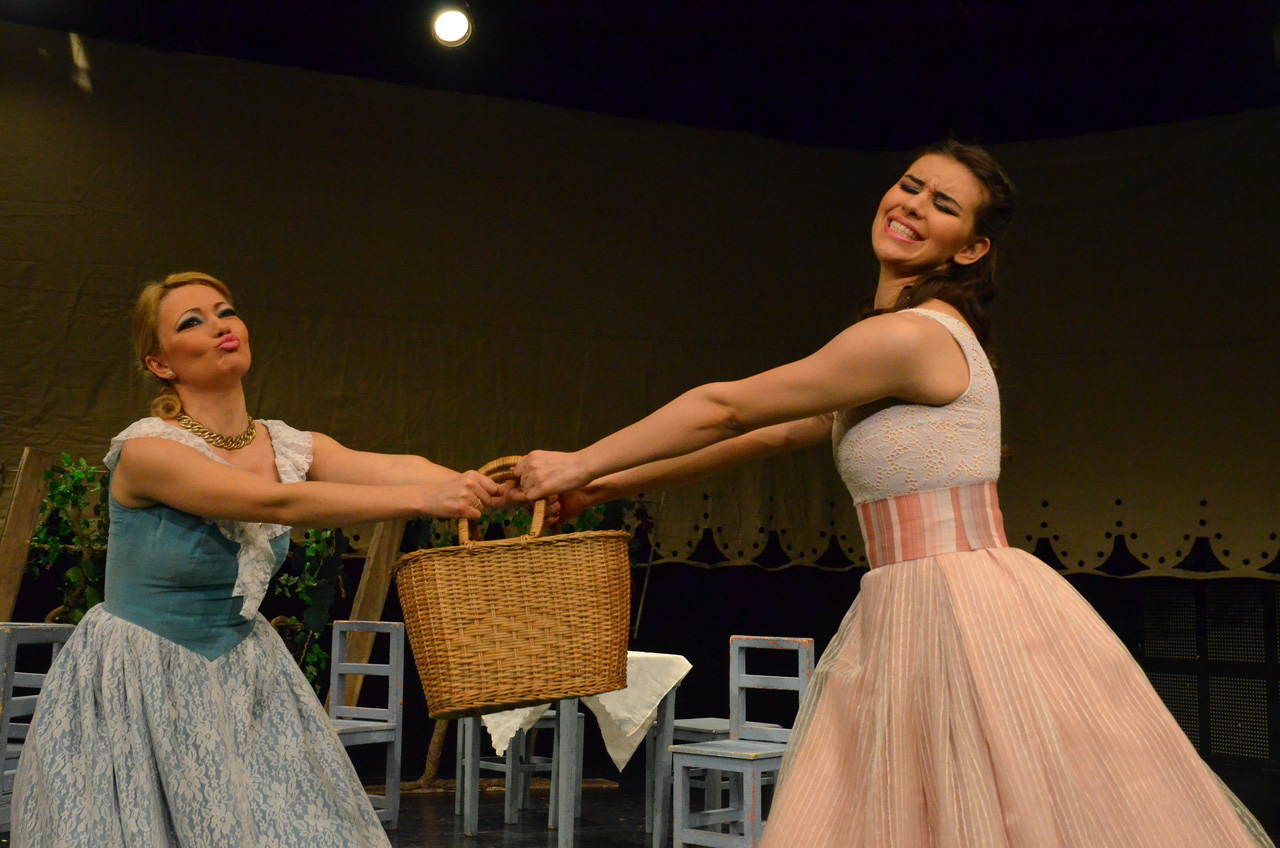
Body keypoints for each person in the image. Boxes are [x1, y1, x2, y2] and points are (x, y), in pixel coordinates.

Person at [514, 142, 1274, 847]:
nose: (912, 204)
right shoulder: (893, 337)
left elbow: (728, 407)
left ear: (971, 248)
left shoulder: (911, 337)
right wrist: (607, 485)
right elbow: (766, 436)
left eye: (943, 204)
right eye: (910, 185)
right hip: (914, 597)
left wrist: (577, 463)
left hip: (956, 601)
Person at [11, 271, 522, 847]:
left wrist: (492, 487)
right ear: (160, 363)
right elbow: (274, 502)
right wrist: (428, 500)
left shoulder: (288, 444)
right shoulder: (147, 450)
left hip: (243, 666)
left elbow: (398, 468)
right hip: (142, 671)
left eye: (224, 311)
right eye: (192, 321)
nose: (219, 326)